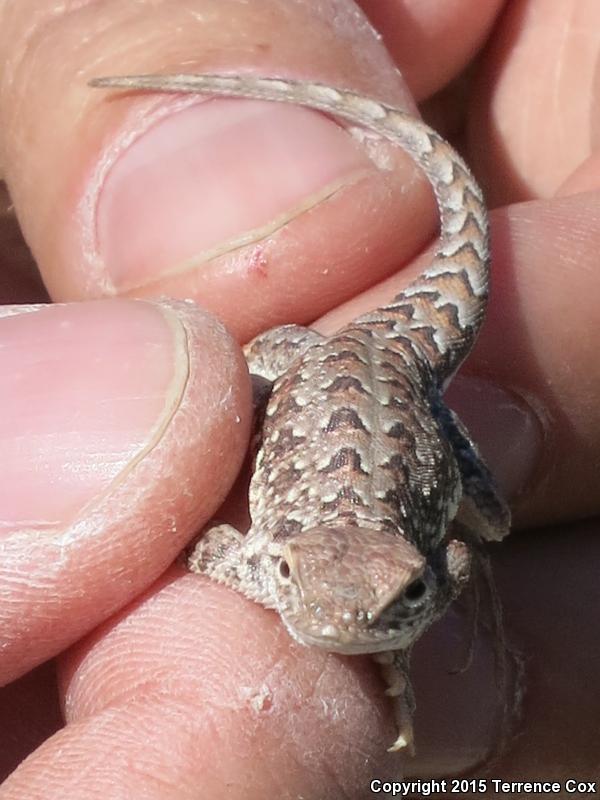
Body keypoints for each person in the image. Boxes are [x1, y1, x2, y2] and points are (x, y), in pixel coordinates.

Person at [1, 0, 599, 795]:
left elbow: (449, 553)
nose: (339, 624)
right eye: (311, 594)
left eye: (402, 598)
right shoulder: (260, 561)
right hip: (324, 363)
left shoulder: (319, 561)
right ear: (282, 568)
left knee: (486, 517)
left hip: (396, 371)